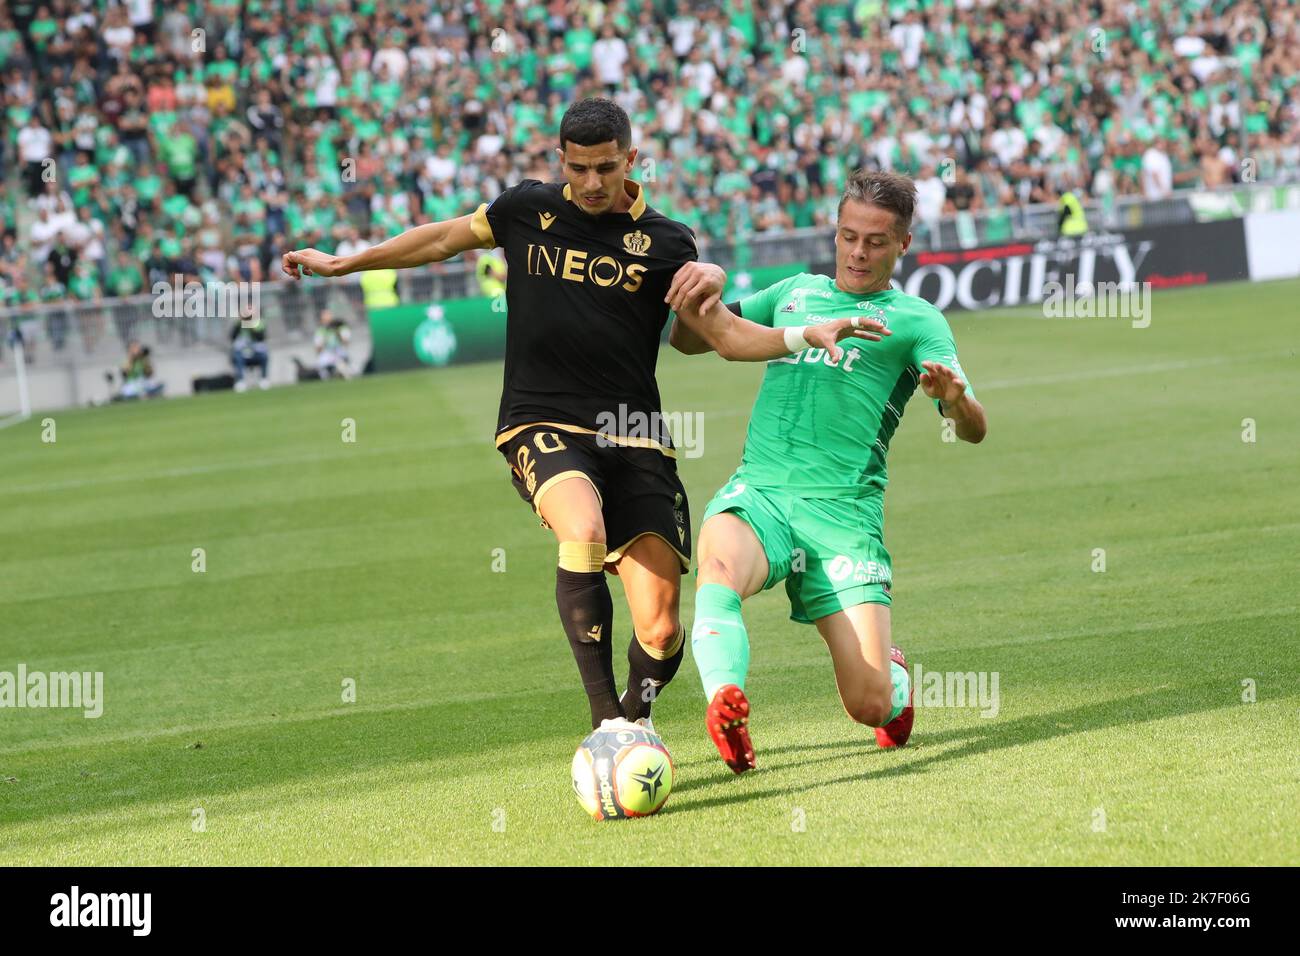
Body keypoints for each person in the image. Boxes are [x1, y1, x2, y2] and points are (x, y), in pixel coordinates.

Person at [282, 98, 874, 735]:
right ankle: (606, 729)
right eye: (580, 168)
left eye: (608, 168)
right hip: (541, 420)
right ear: (560, 159)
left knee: (663, 624)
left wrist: (801, 335)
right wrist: (349, 261)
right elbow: (443, 239)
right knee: (584, 530)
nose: (592, 183)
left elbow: (723, 335)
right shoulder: (525, 209)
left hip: (637, 434)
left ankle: (634, 721)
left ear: (632, 160)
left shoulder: (672, 243)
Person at [670, 169, 988, 773]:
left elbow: (973, 428)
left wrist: (952, 398)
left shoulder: (916, 321)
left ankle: (892, 681)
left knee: (868, 705)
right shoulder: (793, 291)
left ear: (903, 245)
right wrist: (703, 284)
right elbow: (691, 340)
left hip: (843, 516)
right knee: (715, 569)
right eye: (848, 237)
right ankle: (724, 709)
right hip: (761, 492)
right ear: (835, 234)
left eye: (875, 241)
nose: (858, 253)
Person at [230, 316, 270, 391]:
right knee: (237, 357)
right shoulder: (238, 324)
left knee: (264, 356)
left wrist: (251, 326)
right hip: (243, 353)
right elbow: (232, 337)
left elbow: (261, 338)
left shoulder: (259, 323)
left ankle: (264, 379)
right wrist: (240, 324)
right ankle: (240, 381)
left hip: (255, 353)